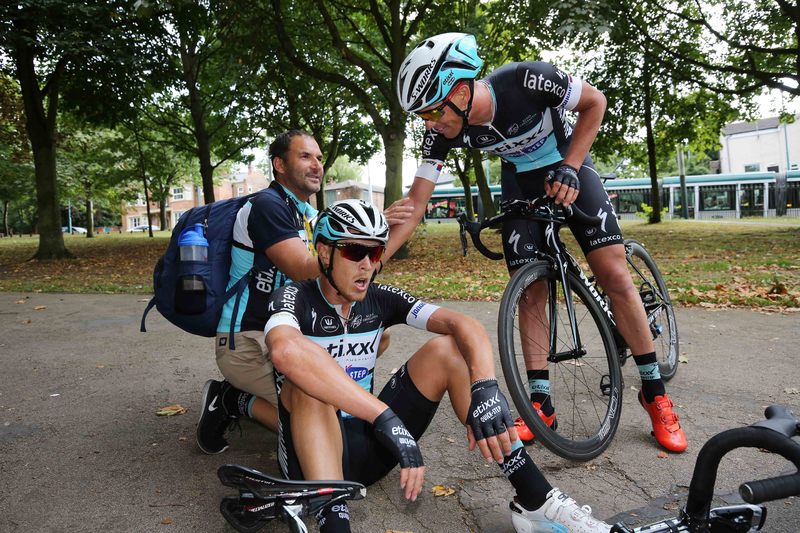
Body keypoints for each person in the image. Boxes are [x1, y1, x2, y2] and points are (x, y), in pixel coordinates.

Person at [389, 33, 687, 453]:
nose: (428, 123)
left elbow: (595, 102)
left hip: (570, 164)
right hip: (521, 183)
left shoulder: (527, 80)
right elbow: (416, 204)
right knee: (531, 291)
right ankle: (541, 403)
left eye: (432, 111)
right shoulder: (442, 132)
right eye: (421, 115)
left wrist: (571, 166)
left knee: (614, 274)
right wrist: (372, 259)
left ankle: (655, 394)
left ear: (460, 91)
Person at [264, 199, 611, 533]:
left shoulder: (379, 298)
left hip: (369, 453)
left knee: (449, 350)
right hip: (308, 463)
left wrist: (486, 387)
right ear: (324, 252)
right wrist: (385, 417)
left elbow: (464, 325)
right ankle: (333, 521)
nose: (367, 265)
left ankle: (536, 499)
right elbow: (286, 352)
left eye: (376, 253)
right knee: (306, 386)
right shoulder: (294, 297)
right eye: (355, 252)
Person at [195, 130, 324, 454]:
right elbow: (304, 269)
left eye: (319, 158)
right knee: (315, 427)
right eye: (305, 156)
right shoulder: (268, 205)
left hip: (284, 334)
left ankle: (264, 397)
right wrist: (358, 247)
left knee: (374, 339)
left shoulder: (305, 214)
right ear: (279, 164)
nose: (317, 165)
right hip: (246, 342)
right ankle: (231, 399)